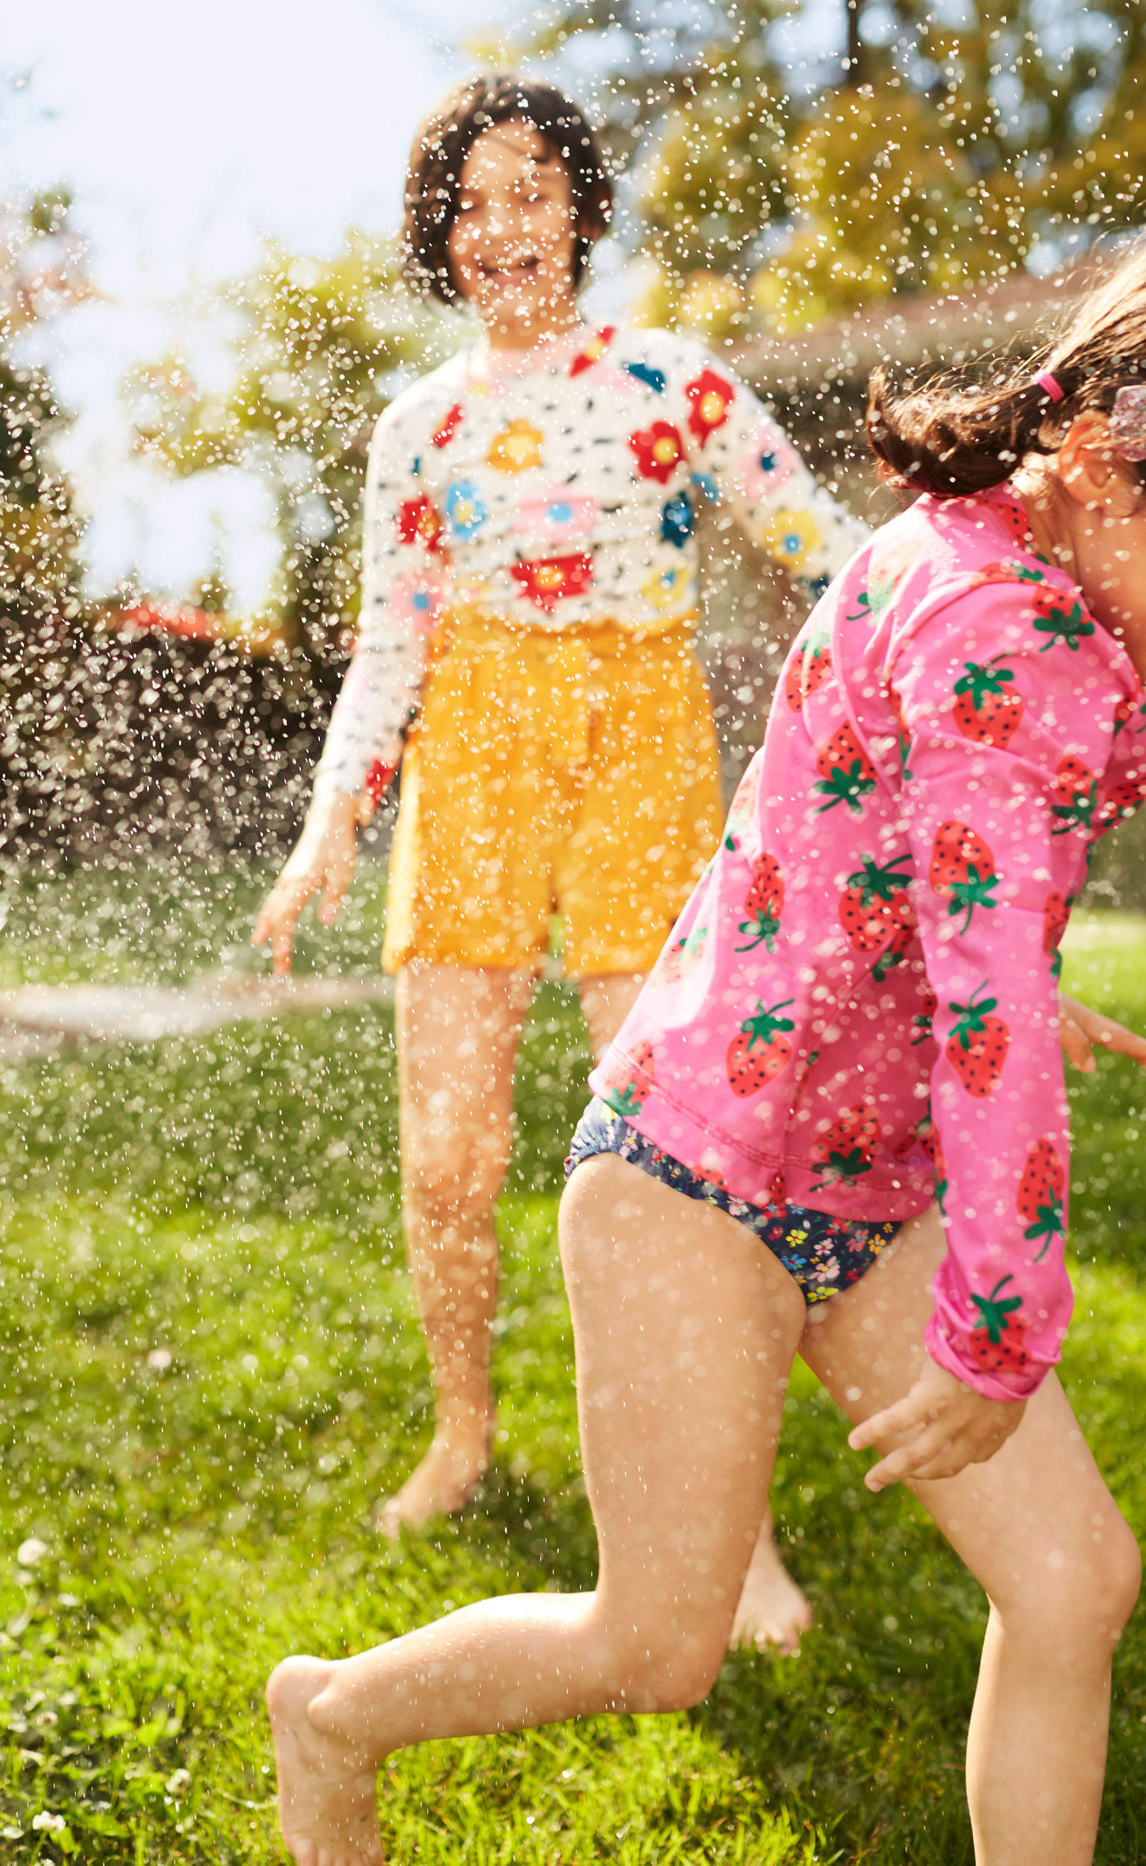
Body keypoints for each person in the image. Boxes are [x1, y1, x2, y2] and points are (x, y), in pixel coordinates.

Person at [267, 244, 1146, 1866]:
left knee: (1074, 1579)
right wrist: (1004, 1321)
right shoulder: (999, 619)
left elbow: (938, 878)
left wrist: (1001, 959)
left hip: (862, 1183)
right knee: (655, 1646)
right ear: (1100, 459)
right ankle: (326, 1712)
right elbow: (988, 1016)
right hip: (699, 1174)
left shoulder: (1031, 559)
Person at [253, 74, 868, 1648]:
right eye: (471, 202)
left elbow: (838, 563)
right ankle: (464, 1430)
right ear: (441, 242)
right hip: (475, 754)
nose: (502, 226)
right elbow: (391, 648)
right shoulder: (417, 430)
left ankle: (734, 1533)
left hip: (643, 741)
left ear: (581, 211)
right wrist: (334, 820)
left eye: (532, 191)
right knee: (448, 1155)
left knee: (677, 1172)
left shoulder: (677, 381)